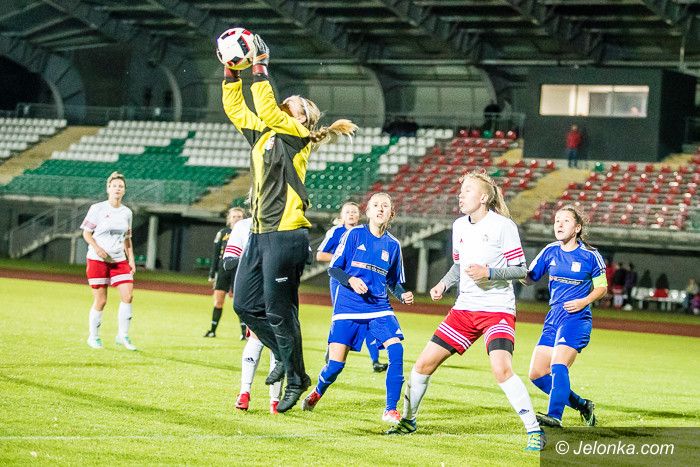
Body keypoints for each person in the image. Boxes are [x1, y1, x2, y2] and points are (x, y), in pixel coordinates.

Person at [222, 34, 357, 413]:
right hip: (259, 233)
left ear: (303, 119)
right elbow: (236, 108)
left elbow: (266, 106)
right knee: (244, 306)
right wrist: (231, 74)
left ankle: (295, 376)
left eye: (294, 103)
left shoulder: (297, 135)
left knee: (280, 311)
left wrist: (260, 64)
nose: (288, 101)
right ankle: (286, 358)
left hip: (286, 235)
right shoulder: (264, 133)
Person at [387, 171, 545, 452]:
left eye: (467, 191)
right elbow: (459, 265)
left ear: (483, 197)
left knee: (501, 369)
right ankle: (409, 421)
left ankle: (534, 430)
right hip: (464, 309)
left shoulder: (503, 226)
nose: (460, 196)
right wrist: (443, 283)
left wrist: (489, 272)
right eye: (460, 191)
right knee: (422, 365)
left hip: (497, 310)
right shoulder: (459, 225)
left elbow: (522, 270)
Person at [301, 193, 414, 424]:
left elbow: (393, 281)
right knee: (335, 366)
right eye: (375, 205)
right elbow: (334, 268)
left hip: (379, 307)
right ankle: (317, 392)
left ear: (391, 214)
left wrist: (403, 294)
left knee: (397, 350)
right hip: (348, 306)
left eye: (385, 206)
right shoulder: (353, 234)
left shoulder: (393, 245)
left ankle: (390, 410)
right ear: (368, 211)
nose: (380, 209)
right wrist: (351, 280)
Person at [523, 205, 607, 429]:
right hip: (553, 318)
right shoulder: (550, 250)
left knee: (558, 364)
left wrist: (583, 301)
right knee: (537, 374)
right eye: (556, 220)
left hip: (576, 319)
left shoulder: (590, 255)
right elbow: (529, 278)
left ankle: (555, 416)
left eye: (565, 221)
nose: (559, 224)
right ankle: (583, 405)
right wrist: (510, 269)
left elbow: (602, 287)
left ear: (577, 228)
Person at [221, 215, 283, 414]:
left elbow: (306, 256)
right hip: (255, 291)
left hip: (280, 290)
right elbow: (228, 261)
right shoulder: (243, 226)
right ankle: (245, 392)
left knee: (278, 342)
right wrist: (256, 261)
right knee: (259, 339)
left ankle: (274, 400)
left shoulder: (288, 223)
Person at [317, 201, 388, 373]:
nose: (351, 214)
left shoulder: (366, 232)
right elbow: (320, 255)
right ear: (342, 216)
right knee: (341, 317)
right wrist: (344, 257)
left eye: (354, 212)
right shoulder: (336, 231)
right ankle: (332, 348)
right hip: (341, 280)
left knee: (369, 317)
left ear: (360, 215)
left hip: (363, 280)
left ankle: (375, 361)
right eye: (348, 212)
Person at [81, 171, 137, 351]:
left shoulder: (127, 212)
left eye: (121, 186)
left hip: (119, 260)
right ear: (108, 189)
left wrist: (131, 260)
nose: (117, 189)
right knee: (101, 301)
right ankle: (93, 337)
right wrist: (97, 248)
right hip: (97, 259)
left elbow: (127, 238)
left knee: (128, 296)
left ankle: (123, 335)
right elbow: (86, 233)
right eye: (114, 186)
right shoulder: (97, 208)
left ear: (124, 190)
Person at [203, 207, 247, 339]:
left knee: (239, 303)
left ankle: (244, 333)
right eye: (234, 216)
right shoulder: (223, 233)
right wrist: (212, 273)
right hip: (223, 270)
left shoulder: (247, 232)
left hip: (239, 270)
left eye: (239, 216)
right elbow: (216, 253)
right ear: (229, 219)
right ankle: (212, 330)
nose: (236, 219)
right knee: (218, 301)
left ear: (243, 218)